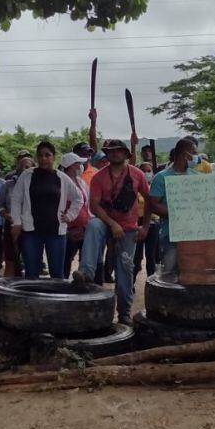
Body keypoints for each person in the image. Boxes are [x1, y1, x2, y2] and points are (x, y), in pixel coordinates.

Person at [72, 139, 151, 325]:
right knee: (93, 225)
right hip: (106, 223)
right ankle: (87, 271)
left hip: (128, 229)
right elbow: (94, 205)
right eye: (111, 151)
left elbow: (149, 200)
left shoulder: (137, 174)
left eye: (118, 151)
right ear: (106, 154)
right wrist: (112, 224)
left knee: (125, 273)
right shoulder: (99, 177)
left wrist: (145, 226)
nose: (115, 154)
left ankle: (124, 313)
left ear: (125, 153)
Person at [11, 141, 84, 279]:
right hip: (31, 232)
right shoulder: (27, 175)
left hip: (56, 232)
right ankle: (32, 300)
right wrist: (17, 222)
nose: (44, 158)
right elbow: (16, 199)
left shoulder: (61, 178)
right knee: (31, 273)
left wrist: (70, 216)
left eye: (47, 155)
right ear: (37, 158)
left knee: (57, 274)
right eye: (40, 156)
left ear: (53, 157)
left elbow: (78, 198)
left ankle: (56, 301)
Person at [149, 138, 199, 279]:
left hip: (194, 235)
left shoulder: (197, 177)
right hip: (170, 235)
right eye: (194, 153)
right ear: (185, 154)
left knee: (192, 273)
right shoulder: (161, 177)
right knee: (169, 274)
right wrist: (176, 214)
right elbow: (153, 205)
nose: (196, 157)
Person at [0, 150, 33, 277]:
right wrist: (5, 214)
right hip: (10, 226)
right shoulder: (8, 185)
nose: (24, 169)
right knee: (11, 260)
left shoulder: (36, 186)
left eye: (27, 167)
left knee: (30, 261)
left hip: (29, 227)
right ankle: (7, 290)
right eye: (22, 166)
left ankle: (30, 291)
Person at [61, 152, 91, 278]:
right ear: (71, 166)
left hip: (84, 227)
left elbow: (86, 203)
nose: (81, 166)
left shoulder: (81, 182)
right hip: (69, 228)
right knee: (66, 259)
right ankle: (63, 286)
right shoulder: (62, 181)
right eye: (78, 164)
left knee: (85, 259)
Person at [134, 161, 161, 277]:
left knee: (151, 256)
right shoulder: (134, 188)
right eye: (143, 171)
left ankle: (151, 282)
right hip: (137, 224)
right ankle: (131, 282)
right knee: (136, 256)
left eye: (149, 171)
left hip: (153, 224)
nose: (146, 173)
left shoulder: (156, 188)